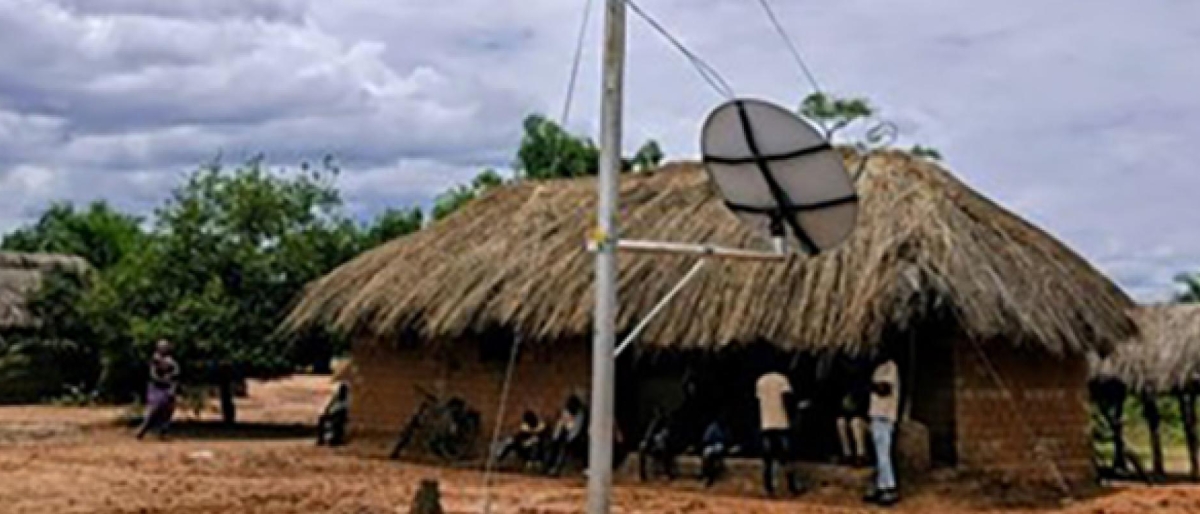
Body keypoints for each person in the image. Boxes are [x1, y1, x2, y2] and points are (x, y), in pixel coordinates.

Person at [756, 370, 801, 496]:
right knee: (787, 456)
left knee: (768, 458)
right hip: (782, 422)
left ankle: (768, 487)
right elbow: (789, 400)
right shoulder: (782, 380)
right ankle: (791, 486)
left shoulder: (761, 380)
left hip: (766, 422)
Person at [864, 355, 901, 506]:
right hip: (876, 416)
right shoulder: (878, 369)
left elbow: (884, 388)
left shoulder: (891, 367)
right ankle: (881, 486)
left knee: (884, 455)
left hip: (884, 417)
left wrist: (869, 385)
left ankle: (890, 488)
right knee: (879, 455)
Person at [136, 340, 179, 440]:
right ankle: (143, 429)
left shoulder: (170, 360)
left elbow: (176, 372)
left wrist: (171, 383)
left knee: (168, 409)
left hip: (167, 387)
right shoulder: (155, 359)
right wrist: (165, 379)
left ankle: (163, 432)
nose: (164, 349)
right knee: (154, 409)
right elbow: (153, 375)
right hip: (156, 388)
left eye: (166, 347)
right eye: (162, 347)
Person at [546, 394, 587, 476]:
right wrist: (555, 438)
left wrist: (568, 440)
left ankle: (557, 468)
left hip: (576, 438)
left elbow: (576, 429)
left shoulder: (580, 414)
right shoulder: (566, 412)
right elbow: (560, 425)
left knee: (564, 448)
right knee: (552, 446)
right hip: (564, 434)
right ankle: (548, 466)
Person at [835, 385, 870, 466]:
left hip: (868, 424)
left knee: (856, 422)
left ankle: (861, 455)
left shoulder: (865, 392)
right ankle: (847, 454)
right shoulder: (846, 393)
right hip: (852, 419)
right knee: (840, 422)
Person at [316, 382, 350, 446]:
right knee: (334, 426)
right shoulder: (340, 396)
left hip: (336, 412)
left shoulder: (343, 397)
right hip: (335, 411)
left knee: (334, 426)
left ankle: (329, 439)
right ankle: (328, 439)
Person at [700, 417, 729, 487]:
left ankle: (710, 475)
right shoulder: (712, 427)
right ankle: (705, 474)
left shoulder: (725, 428)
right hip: (711, 445)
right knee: (706, 453)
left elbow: (728, 439)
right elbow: (706, 439)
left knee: (719, 448)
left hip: (720, 444)